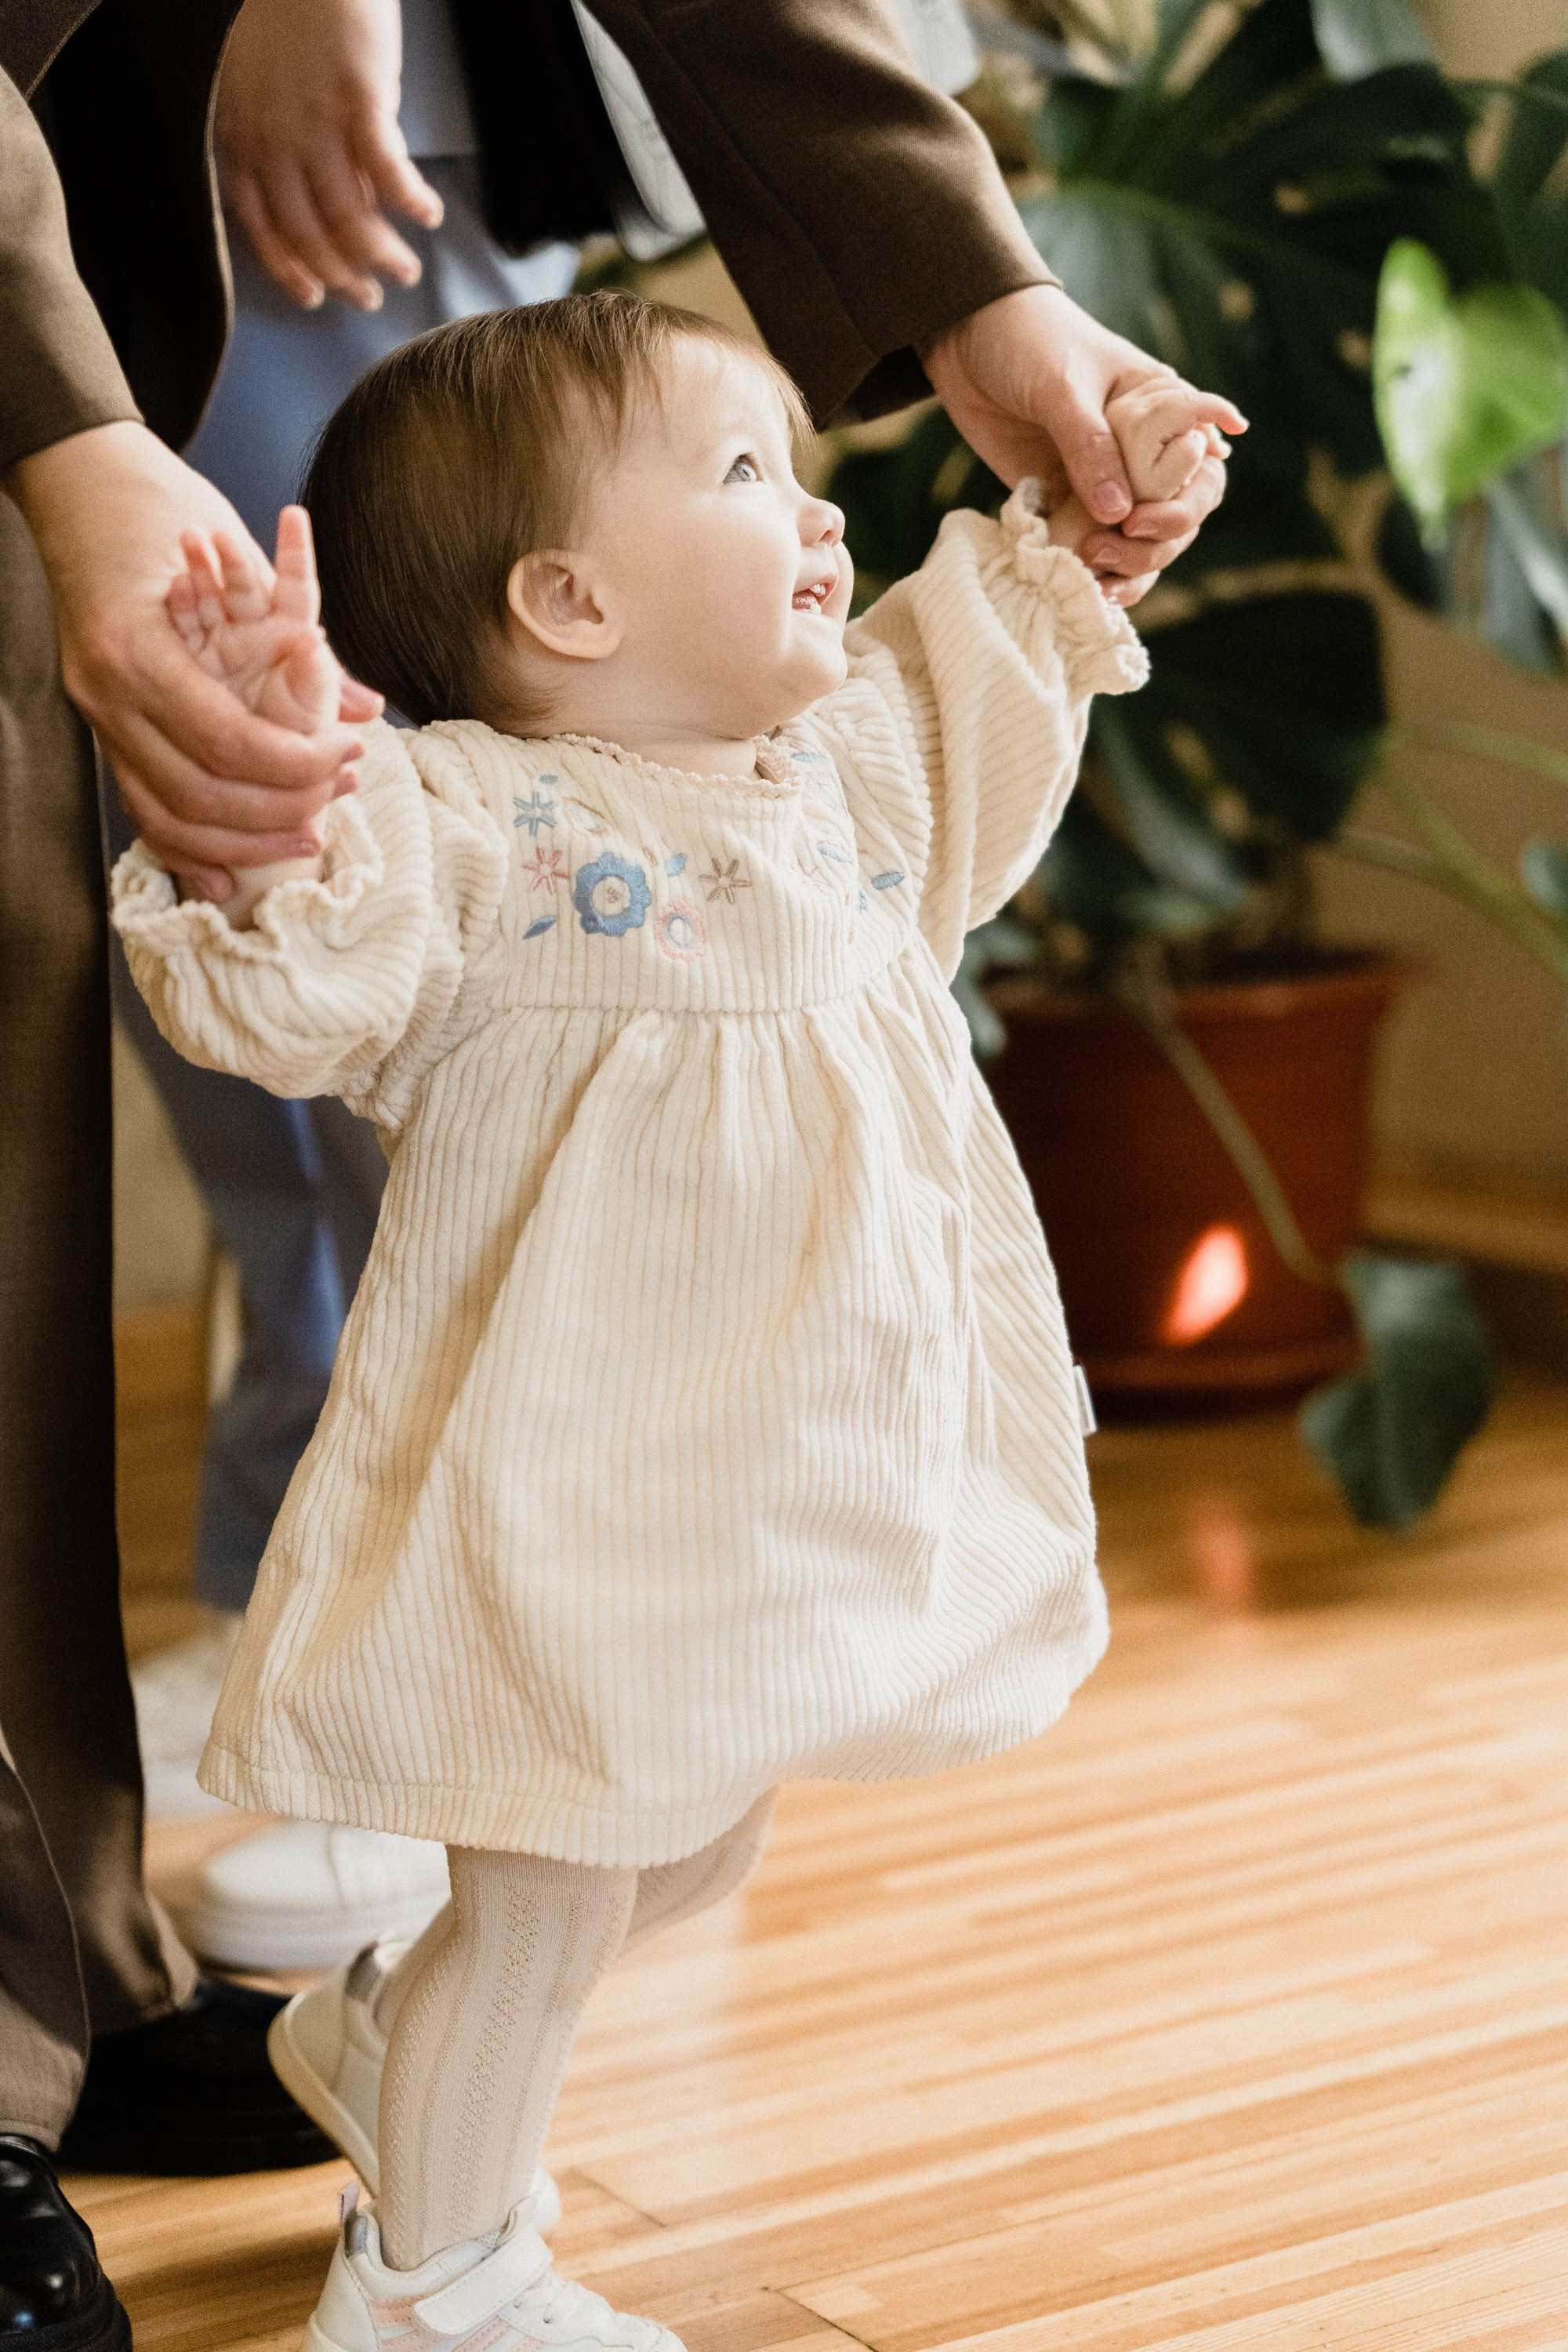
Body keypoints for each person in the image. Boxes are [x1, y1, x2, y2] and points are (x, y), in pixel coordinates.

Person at [2, 2, 1224, 2336]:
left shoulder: (846, 781)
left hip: (761, 1505)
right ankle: (436, 2269)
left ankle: (384, 2038)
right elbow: (286, 965)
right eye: (755, 476)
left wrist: (1099, 506)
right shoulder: (467, 835)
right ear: (563, 605)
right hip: (554, 1511)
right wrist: (273, 754)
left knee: (689, 1840)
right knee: (556, 1892)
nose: (827, 512)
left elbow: (1001, 660)